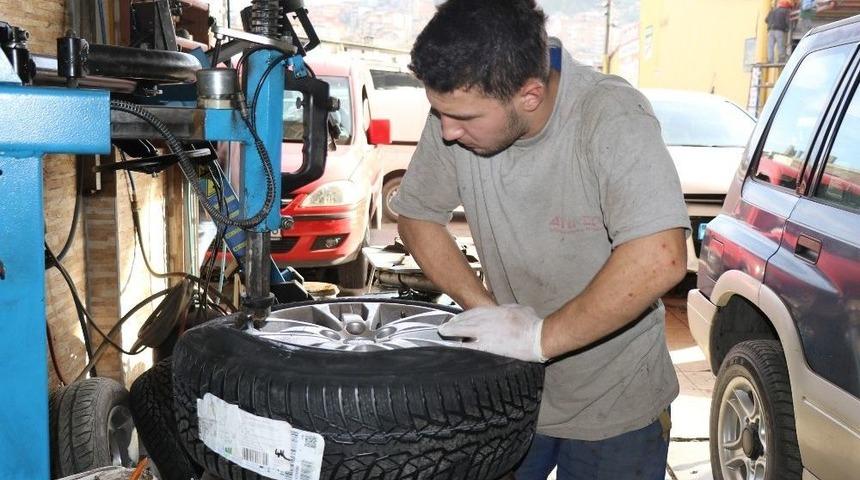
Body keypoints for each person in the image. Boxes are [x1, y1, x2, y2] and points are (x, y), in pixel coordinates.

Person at [391, 0, 689, 478]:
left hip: (614, 402)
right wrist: (486, 312)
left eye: (463, 118)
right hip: (508, 392)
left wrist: (539, 338)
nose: (447, 132)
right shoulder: (459, 105)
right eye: (439, 113)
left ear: (530, 95)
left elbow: (660, 257)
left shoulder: (610, 115)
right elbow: (417, 216)